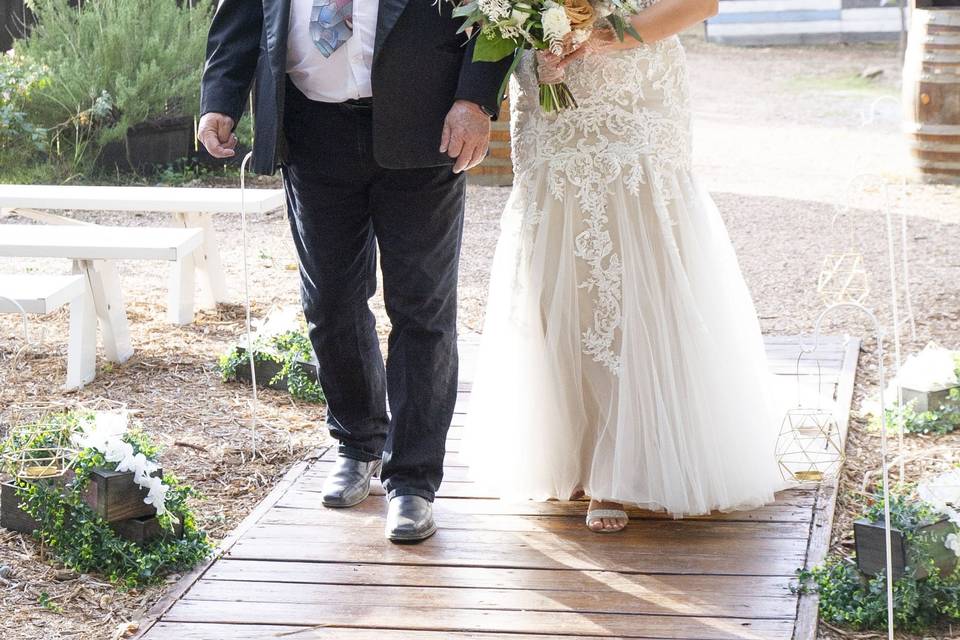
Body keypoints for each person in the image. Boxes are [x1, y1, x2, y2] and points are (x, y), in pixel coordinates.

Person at [464, 0, 785, 532]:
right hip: (550, 94)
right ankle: (570, 447)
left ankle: (621, 462)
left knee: (634, 255)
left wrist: (609, 36)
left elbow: (703, 3)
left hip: (636, 93)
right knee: (555, 254)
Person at [198, 0, 513, 542]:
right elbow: (243, 15)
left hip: (423, 128)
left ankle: (413, 481)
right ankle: (357, 444)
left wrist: (475, 98)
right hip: (311, 130)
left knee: (421, 308)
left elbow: (497, 14)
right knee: (330, 302)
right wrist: (220, 100)